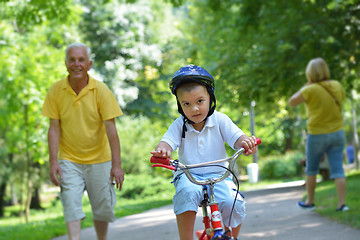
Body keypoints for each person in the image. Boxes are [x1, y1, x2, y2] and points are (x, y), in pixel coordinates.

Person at [150, 64, 258, 240]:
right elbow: (167, 142)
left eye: (200, 101)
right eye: (187, 104)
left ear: (210, 98)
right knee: (187, 194)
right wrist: (163, 150)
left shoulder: (220, 120)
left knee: (233, 201)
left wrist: (245, 143)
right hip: (189, 175)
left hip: (220, 175)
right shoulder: (179, 125)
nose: (194, 109)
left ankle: (231, 236)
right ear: (180, 105)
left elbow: (238, 138)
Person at [42, 42, 125, 240]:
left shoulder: (101, 91)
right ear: (65, 64)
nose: (76, 64)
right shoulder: (56, 91)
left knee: (102, 209)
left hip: (100, 159)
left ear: (89, 64)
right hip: (69, 159)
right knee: (70, 204)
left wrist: (117, 165)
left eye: (81, 60)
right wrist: (53, 161)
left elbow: (111, 130)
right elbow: (53, 129)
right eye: (72, 60)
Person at [289, 58, 348, 212]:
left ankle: (310, 202)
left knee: (312, 169)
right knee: (338, 169)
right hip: (337, 132)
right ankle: (342, 204)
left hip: (317, 135)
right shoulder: (337, 85)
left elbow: (292, 101)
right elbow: (342, 100)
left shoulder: (310, 89)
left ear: (310, 73)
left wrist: (307, 85)